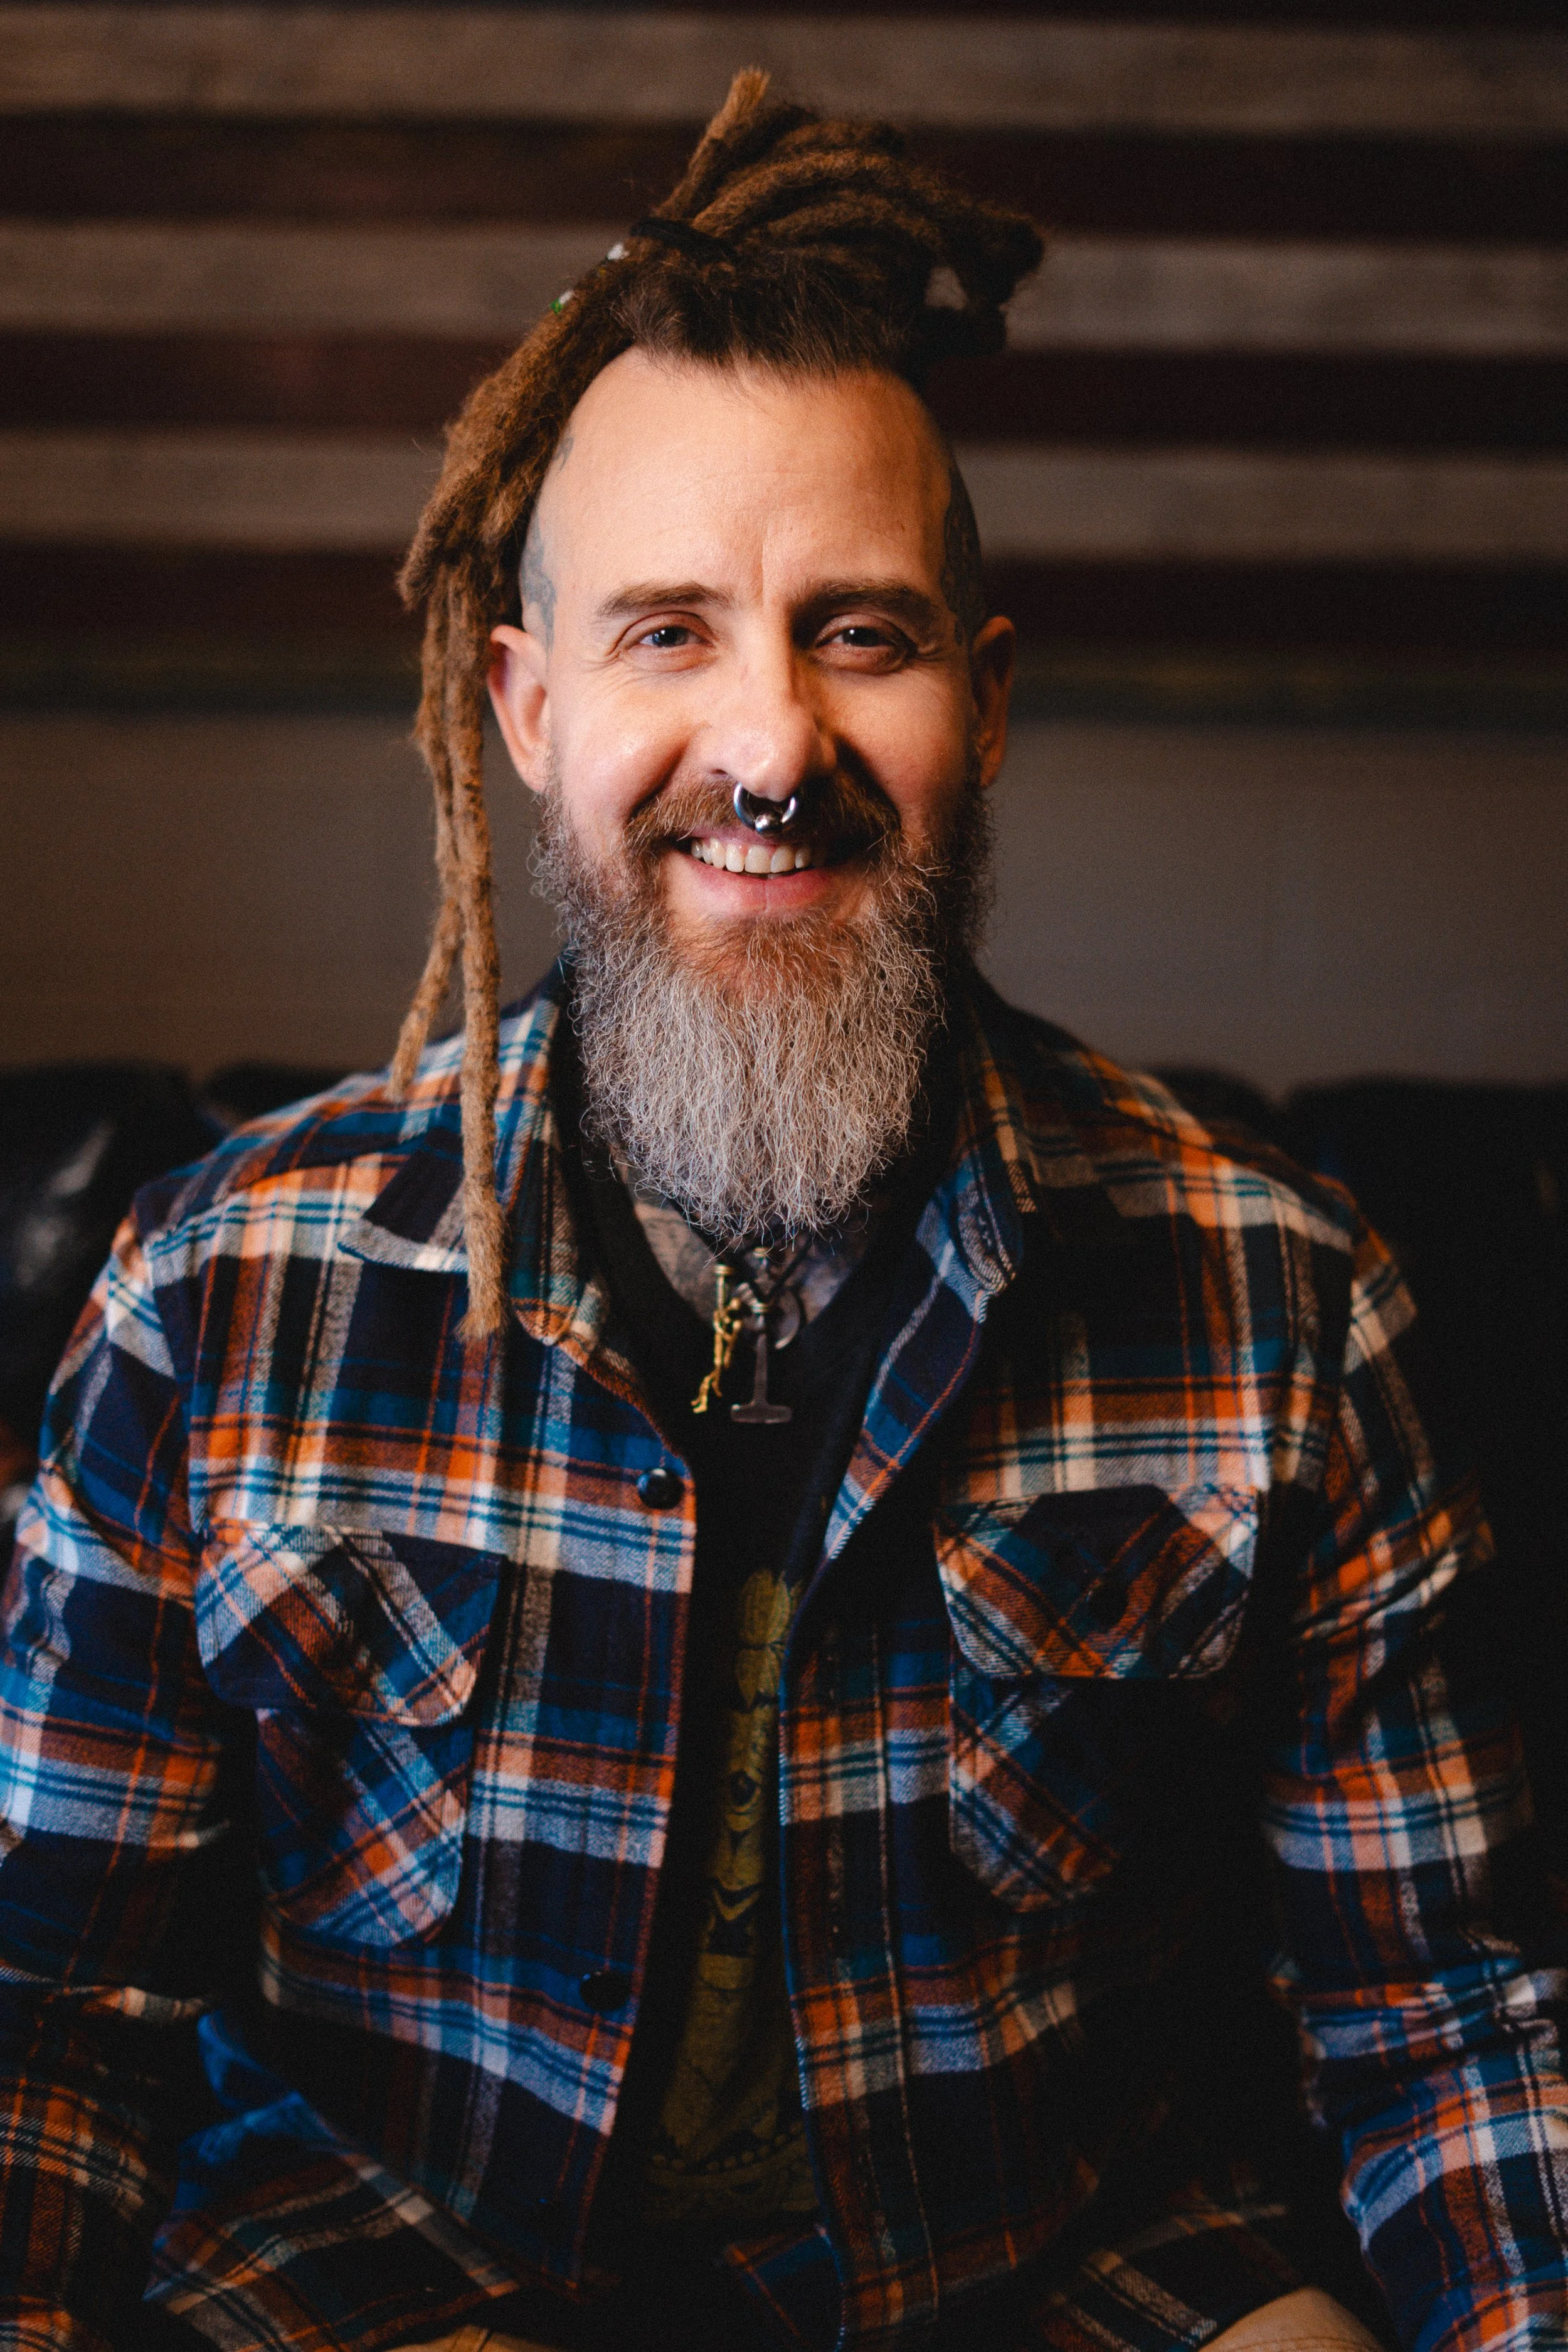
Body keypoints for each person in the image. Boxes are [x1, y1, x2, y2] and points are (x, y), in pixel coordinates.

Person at [0, 73, 1563, 2352]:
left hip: (1054, 2266)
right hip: (394, 2267)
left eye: (860, 630)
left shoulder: (1275, 1304)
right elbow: (48, 2018)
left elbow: (1447, 2021)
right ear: (522, 706)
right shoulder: (215, 1295)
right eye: (665, 633)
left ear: (985, 701)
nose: (766, 744)